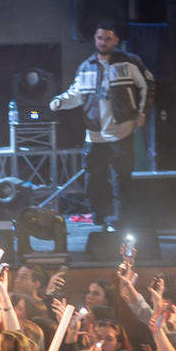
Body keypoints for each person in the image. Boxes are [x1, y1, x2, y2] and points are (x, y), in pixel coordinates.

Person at [50, 24, 153, 229]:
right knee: (93, 178)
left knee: (121, 179)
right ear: (95, 39)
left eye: (107, 38)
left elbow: (147, 85)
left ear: (116, 40)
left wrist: (142, 114)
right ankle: (99, 219)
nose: (103, 42)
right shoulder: (86, 66)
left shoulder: (130, 62)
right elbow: (76, 94)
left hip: (121, 131)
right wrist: (60, 101)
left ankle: (122, 220)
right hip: (94, 134)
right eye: (99, 38)